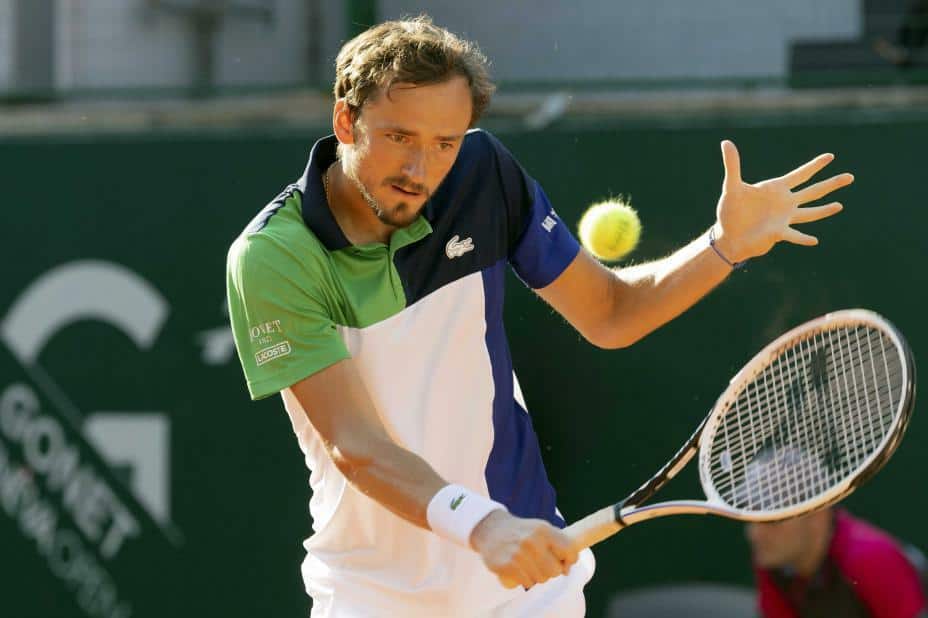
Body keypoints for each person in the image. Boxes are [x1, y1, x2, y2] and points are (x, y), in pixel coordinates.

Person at [225, 15, 852, 617]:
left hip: (527, 591)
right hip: (373, 595)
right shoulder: (276, 256)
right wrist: (481, 525)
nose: (420, 170)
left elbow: (610, 313)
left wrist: (723, 246)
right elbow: (356, 446)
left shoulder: (482, 176)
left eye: (444, 143)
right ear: (346, 120)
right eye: (399, 138)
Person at [747, 508, 927, 618]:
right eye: (752, 519)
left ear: (817, 516)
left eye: (772, 522)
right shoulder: (772, 559)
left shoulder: (870, 558)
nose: (754, 534)